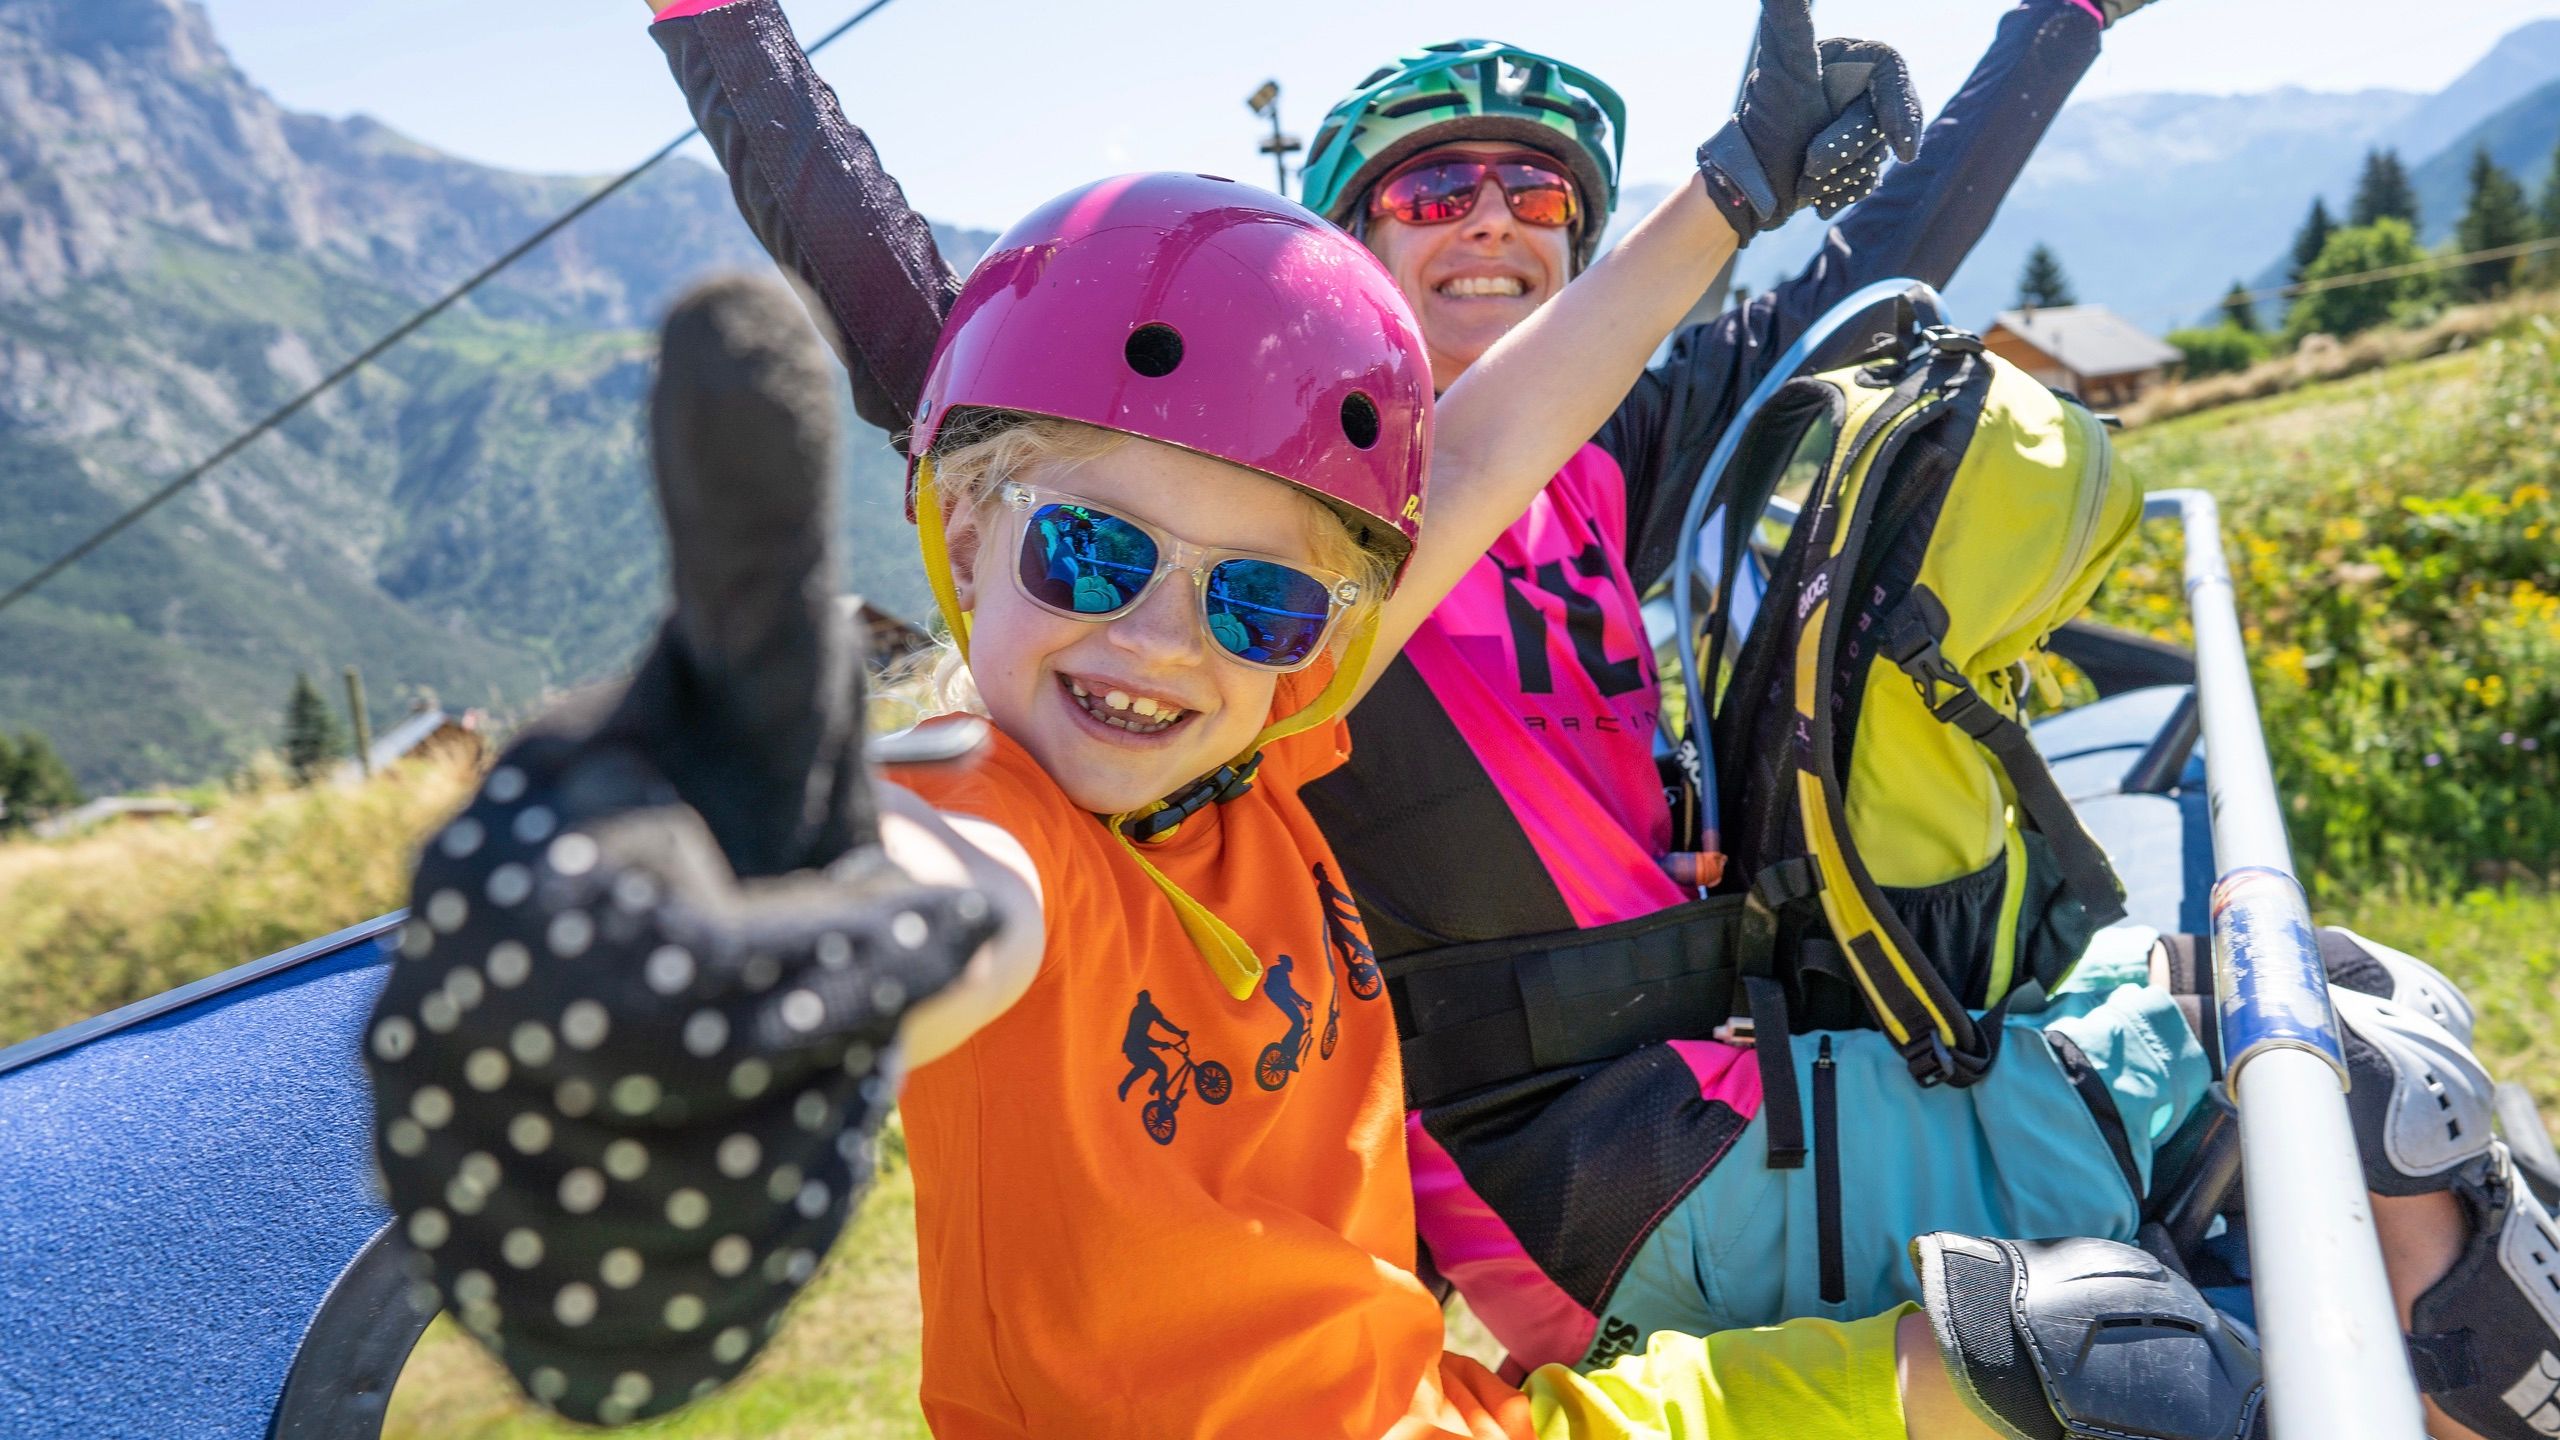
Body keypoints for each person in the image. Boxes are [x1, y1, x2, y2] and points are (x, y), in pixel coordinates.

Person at [635, 6, 2546, 1438]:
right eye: (1429, 191)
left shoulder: (1530, 504)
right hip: (1593, 1152)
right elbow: (956, 374)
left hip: (1691, 1087)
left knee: (2313, 1087)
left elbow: (1858, 275)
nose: (1491, 219)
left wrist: (2035, 35)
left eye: (1536, 192)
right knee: (2309, 1148)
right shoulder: (1257, 625)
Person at [1118, 988, 1185, 1101]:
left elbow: (1164, 1023)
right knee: (1144, 1068)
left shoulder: (1150, 1009)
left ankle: (1159, 1092)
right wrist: (1160, 1044)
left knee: (1160, 1068)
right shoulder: (1137, 1012)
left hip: (1141, 1047)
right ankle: (1125, 1086)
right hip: (1133, 1047)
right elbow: (1140, 1037)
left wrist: (1179, 1032)